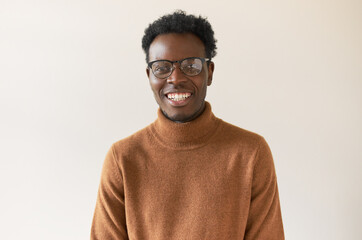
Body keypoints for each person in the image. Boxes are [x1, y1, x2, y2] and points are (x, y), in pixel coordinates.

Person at [91, 10, 284, 240]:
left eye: (190, 65)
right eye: (162, 67)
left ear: (209, 73)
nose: (175, 78)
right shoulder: (122, 159)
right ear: (149, 76)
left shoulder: (251, 153)